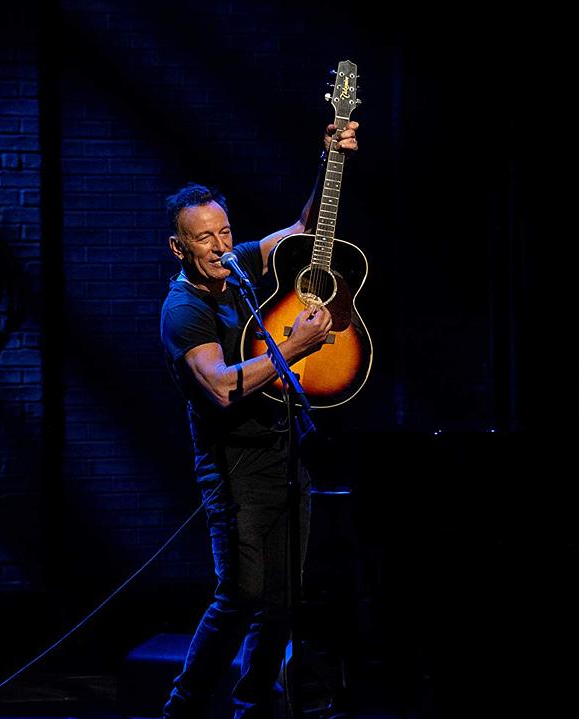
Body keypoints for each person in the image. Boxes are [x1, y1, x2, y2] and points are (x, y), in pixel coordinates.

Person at [159, 121, 359, 718]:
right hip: (233, 466)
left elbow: (303, 232)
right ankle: (183, 708)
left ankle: (255, 707)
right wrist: (294, 349)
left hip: (283, 451)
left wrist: (329, 162)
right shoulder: (183, 309)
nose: (220, 245)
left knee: (283, 599)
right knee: (241, 593)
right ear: (179, 248)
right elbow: (221, 387)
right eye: (204, 238)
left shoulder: (239, 267)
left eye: (224, 231)